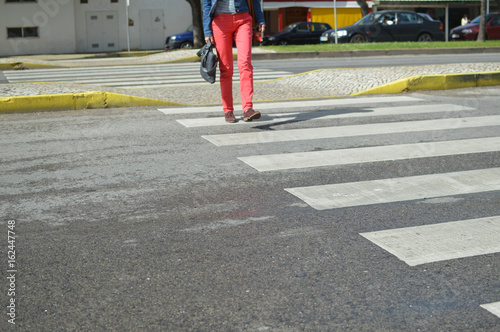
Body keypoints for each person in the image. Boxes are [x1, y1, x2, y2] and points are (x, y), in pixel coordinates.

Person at [202, 0, 266, 123]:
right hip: (220, 22)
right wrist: (207, 31)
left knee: (245, 63)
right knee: (226, 69)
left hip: (243, 19)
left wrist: (260, 19)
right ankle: (228, 110)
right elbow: (206, 4)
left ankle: (248, 108)